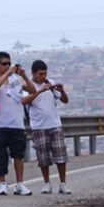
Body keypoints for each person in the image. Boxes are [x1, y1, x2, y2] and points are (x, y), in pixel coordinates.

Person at [0, 51, 37, 195]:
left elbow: (33, 90)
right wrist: (7, 74)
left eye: (9, 63)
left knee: (18, 155)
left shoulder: (16, 81)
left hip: (17, 124)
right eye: (4, 64)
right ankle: (2, 183)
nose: (7, 66)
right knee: (0, 156)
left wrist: (24, 75)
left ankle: (19, 184)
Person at [21, 60, 72, 194]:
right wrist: (39, 91)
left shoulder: (50, 83)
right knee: (43, 157)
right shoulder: (28, 86)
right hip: (38, 126)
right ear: (33, 73)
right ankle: (46, 183)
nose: (43, 77)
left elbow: (64, 100)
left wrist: (62, 91)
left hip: (54, 124)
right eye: (40, 74)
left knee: (60, 155)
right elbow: (24, 101)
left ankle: (63, 183)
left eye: (45, 74)